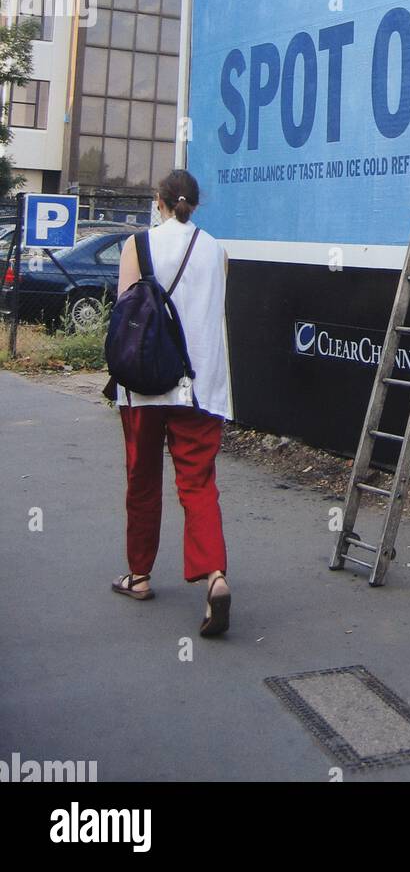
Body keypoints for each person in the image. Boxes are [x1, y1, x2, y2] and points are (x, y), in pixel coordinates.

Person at [110, 169, 234, 638]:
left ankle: (139, 576)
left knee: (142, 480)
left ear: (158, 202)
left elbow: (125, 312)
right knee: (198, 483)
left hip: (144, 386)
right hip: (201, 387)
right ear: (194, 206)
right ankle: (215, 576)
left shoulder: (137, 246)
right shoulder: (217, 251)